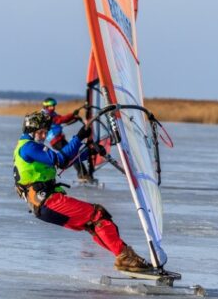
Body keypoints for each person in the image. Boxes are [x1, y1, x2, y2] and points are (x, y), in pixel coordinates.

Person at [13, 111, 151, 272]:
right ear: (31, 130)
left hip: (44, 205)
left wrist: (89, 152)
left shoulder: (27, 147)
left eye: (45, 132)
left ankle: (125, 256)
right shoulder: (29, 147)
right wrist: (78, 138)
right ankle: (124, 256)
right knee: (97, 215)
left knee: (92, 224)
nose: (44, 136)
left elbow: (64, 162)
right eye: (41, 132)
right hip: (47, 201)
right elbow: (61, 160)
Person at [41, 97, 91, 181]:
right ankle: (83, 175)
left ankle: (83, 174)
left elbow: (64, 120)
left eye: (53, 105)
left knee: (73, 155)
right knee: (73, 155)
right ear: (46, 107)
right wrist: (72, 114)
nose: (53, 107)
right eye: (50, 106)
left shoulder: (53, 114)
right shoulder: (47, 115)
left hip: (59, 140)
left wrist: (74, 117)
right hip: (56, 141)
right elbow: (60, 120)